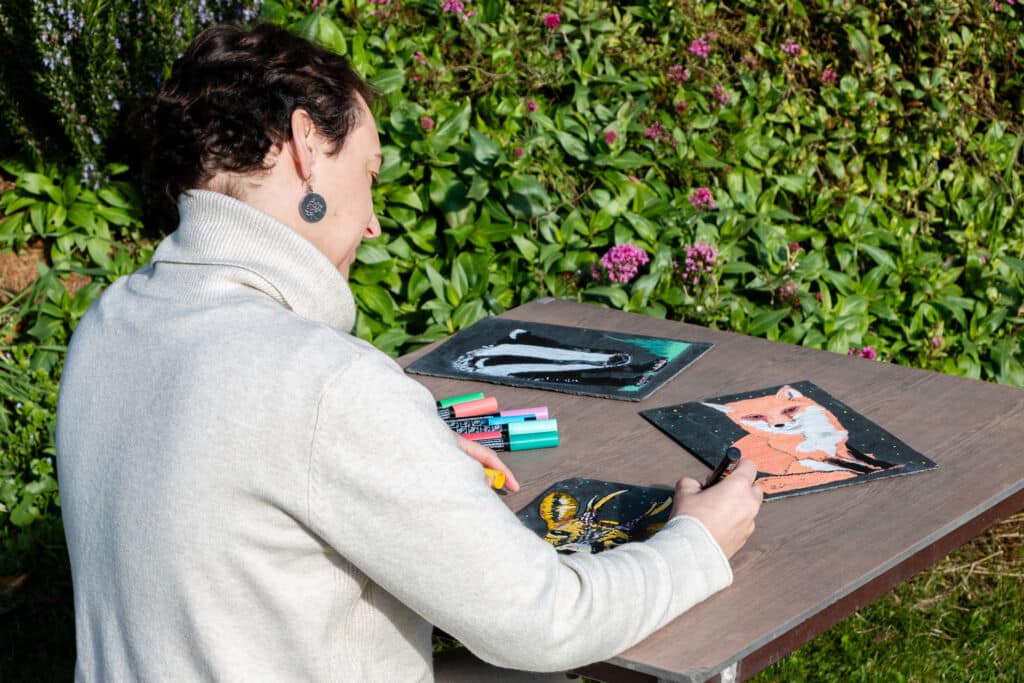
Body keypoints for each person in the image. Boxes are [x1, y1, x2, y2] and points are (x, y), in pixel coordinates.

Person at [56, 23, 763, 682]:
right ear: (305, 147)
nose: (371, 223)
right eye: (368, 174)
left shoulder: (111, 320)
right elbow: (544, 620)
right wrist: (697, 542)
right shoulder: (323, 383)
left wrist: (404, 453)